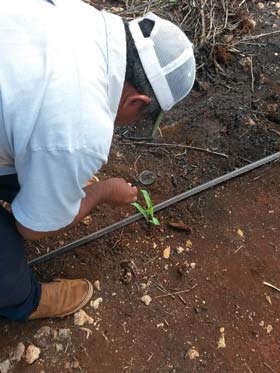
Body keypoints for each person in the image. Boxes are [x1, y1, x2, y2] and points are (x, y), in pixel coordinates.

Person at [0, 0, 196, 321]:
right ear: (138, 100)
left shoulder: (81, 15)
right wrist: (103, 193)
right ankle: (24, 302)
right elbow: (30, 230)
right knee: (5, 259)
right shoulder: (81, 131)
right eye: (140, 117)